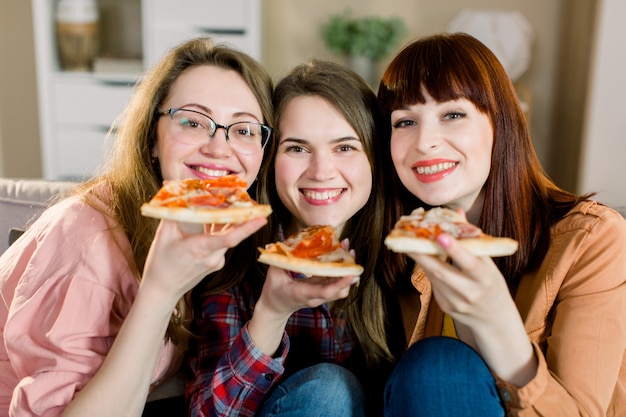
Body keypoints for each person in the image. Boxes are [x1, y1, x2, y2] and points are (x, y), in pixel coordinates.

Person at [0, 37, 274, 417]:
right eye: (193, 122)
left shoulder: (208, 230)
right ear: (152, 139)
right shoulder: (87, 238)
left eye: (243, 130)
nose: (218, 147)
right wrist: (159, 292)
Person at [375, 33, 626, 416]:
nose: (424, 142)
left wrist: (497, 323)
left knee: (439, 366)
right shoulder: (398, 242)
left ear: (501, 123)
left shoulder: (593, 239)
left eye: (453, 114)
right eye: (405, 121)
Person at [186, 59, 391, 417]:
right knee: (329, 391)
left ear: (374, 157)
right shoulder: (232, 256)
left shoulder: (401, 252)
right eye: (297, 148)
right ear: (269, 160)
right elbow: (207, 413)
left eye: (344, 147)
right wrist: (271, 312)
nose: (321, 172)